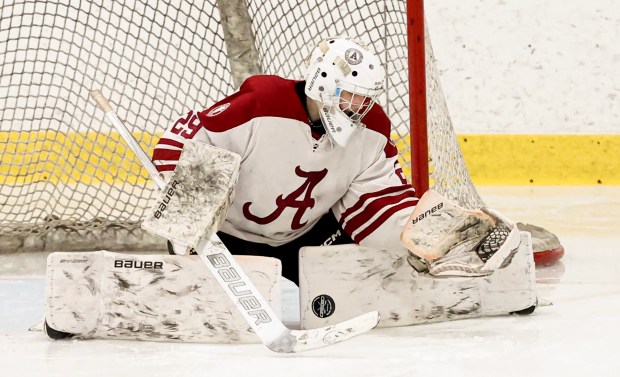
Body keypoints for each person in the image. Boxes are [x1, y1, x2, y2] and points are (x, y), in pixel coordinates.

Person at [151, 36, 513, 284]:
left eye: (364, 100)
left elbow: (377, 204)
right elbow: (182, 142)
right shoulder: (262, 103)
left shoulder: (370, 132)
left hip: (304, 241)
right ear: (322, 82)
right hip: (225, 238)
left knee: (382, 265)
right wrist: (188, 209)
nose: (359, 109)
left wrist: (423, 233)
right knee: (195, 198)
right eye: (350, 97)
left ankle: (453, 248)